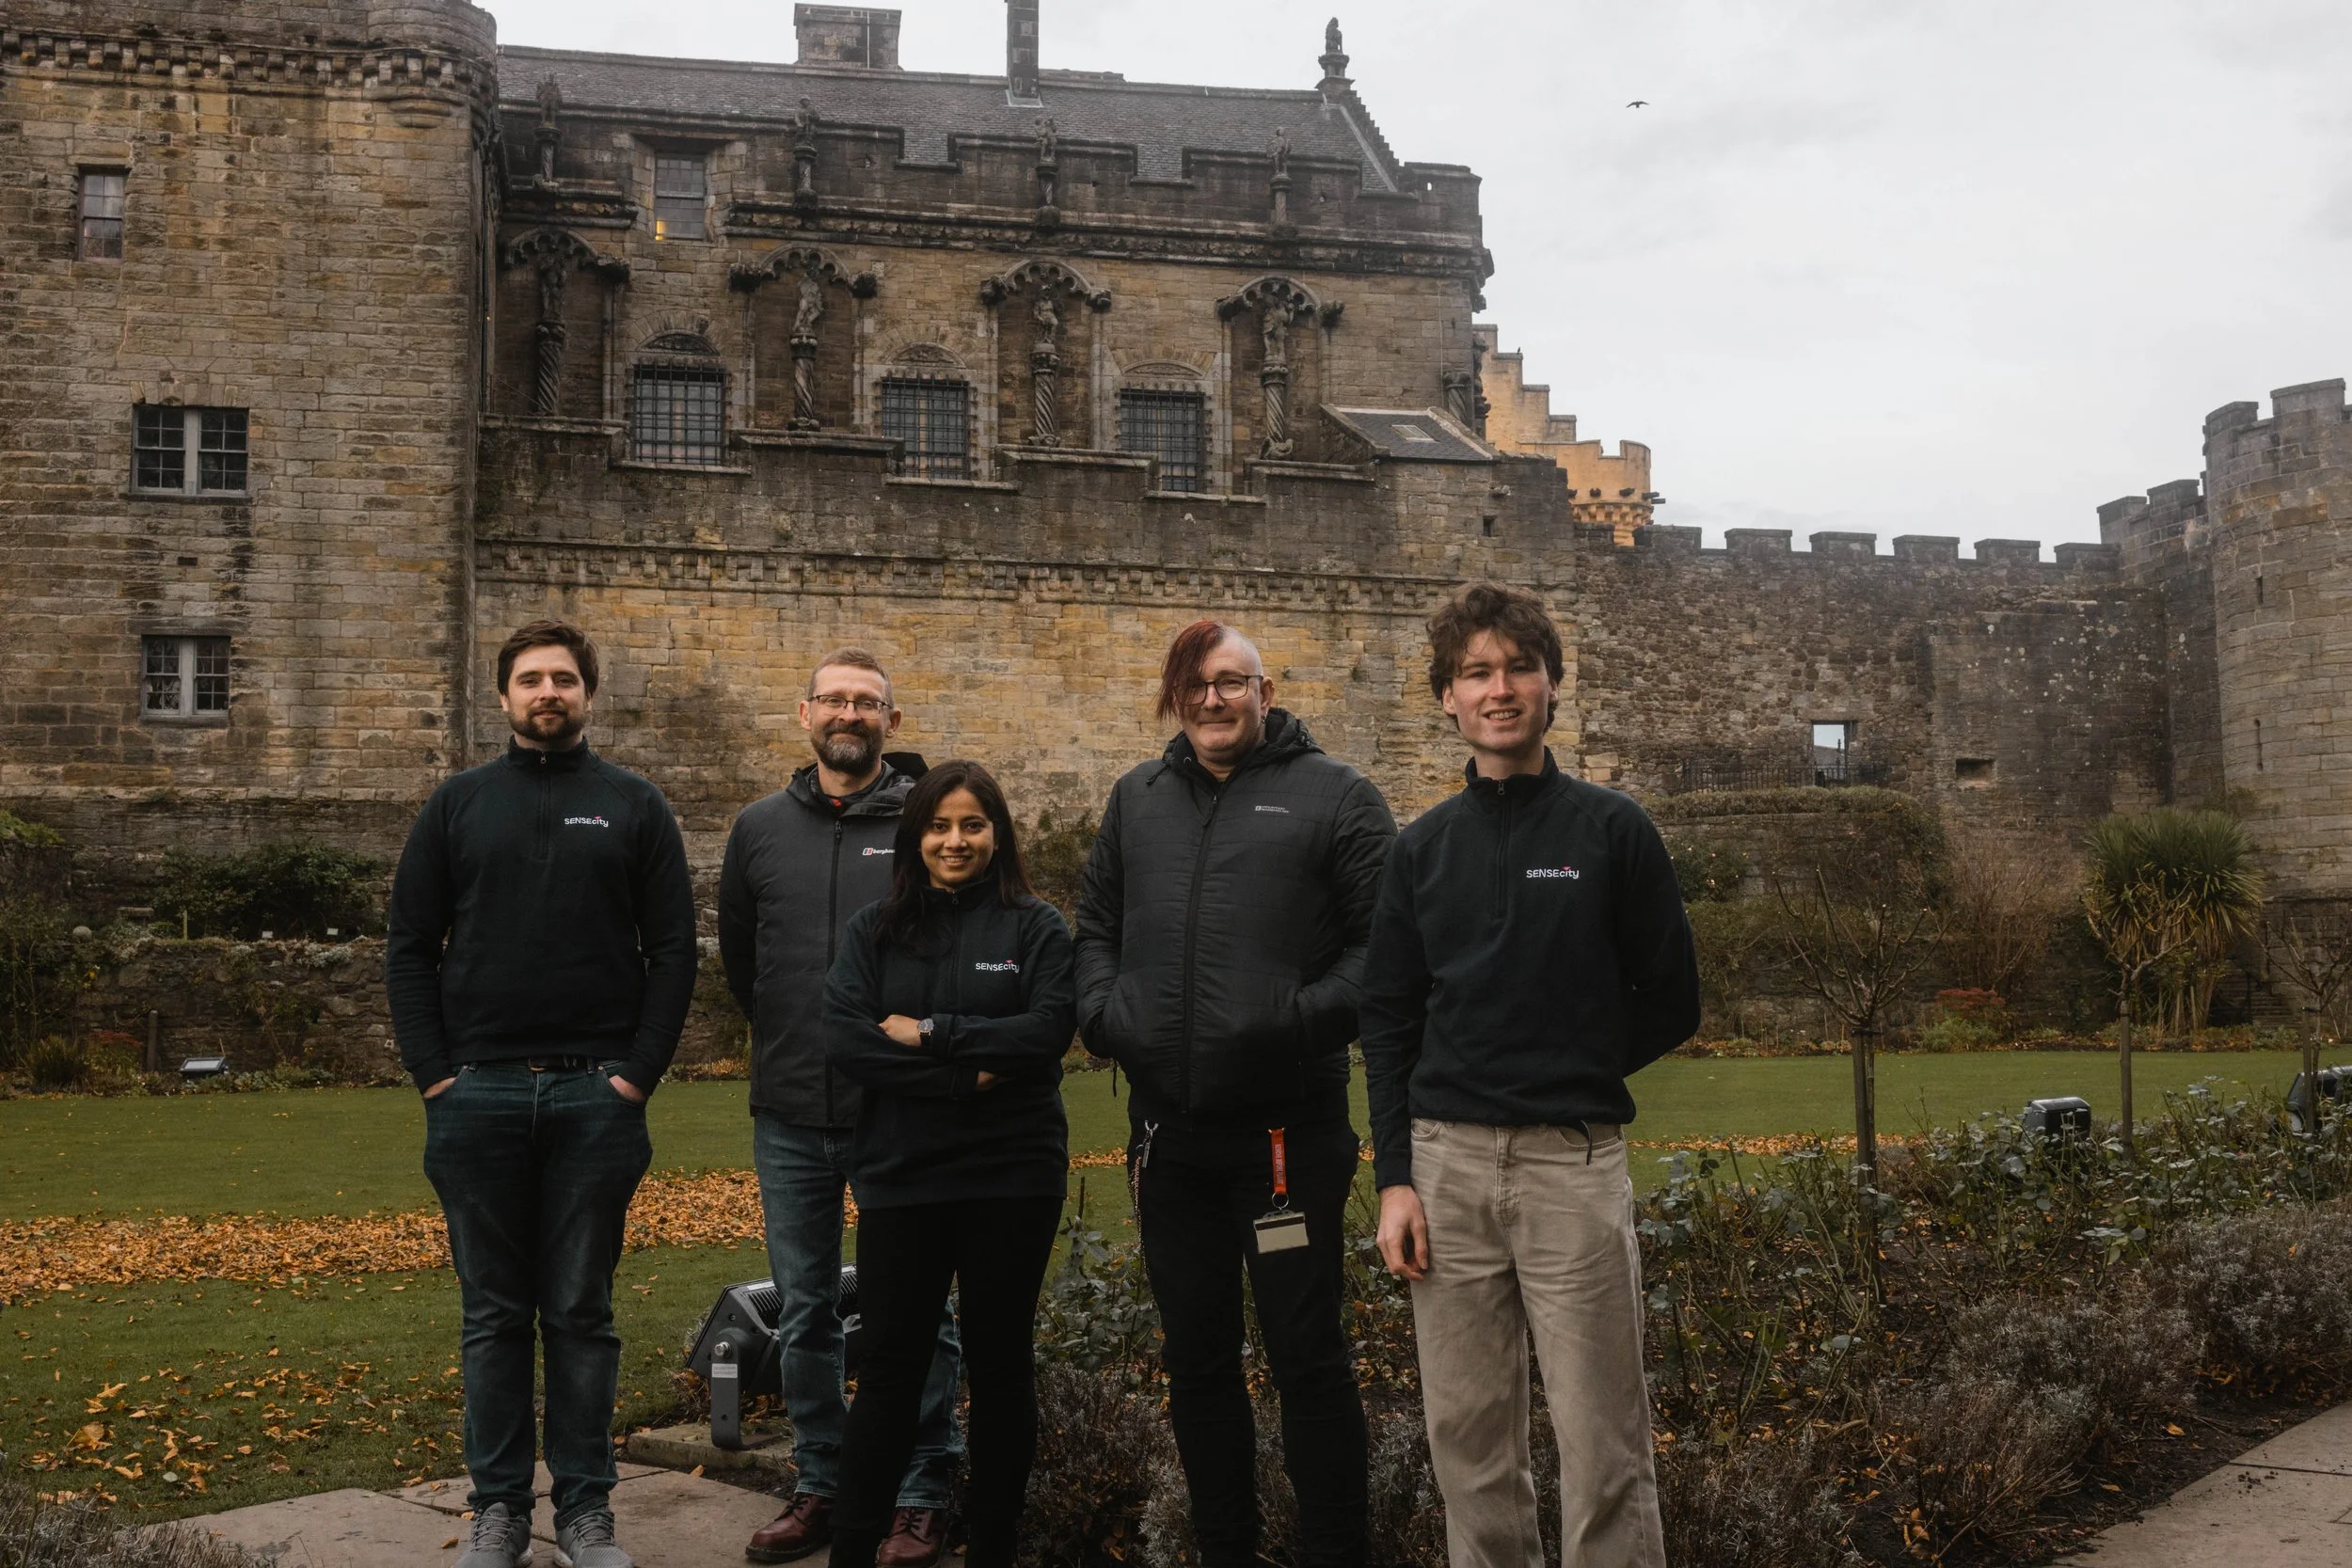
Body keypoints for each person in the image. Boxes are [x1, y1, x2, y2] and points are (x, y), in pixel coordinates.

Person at [1360, 583, 1700, 1568]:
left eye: (1518, 667)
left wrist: (1572, 1060)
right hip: (1444, 1172)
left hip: (1570, 1164)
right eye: (1476, 672)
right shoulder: (1419, 849)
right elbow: (1385, 1021)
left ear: (1552, 686)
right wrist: (1394, 1179)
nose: (1498, 687)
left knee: (1603, 1442)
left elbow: (1671, 996)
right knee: (1467, 1442)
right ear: (1446, 699)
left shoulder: (1611, 830)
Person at [1074, 620, 1397, 1568]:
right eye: (1194, 686)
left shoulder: (1336, 796)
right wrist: (1104, 1010)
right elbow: (1094, 921)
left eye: (1231, 682)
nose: (1212, 701)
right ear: (1176, 697)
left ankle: (1334, 1550)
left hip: (1284, 1138)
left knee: (1308, 1361)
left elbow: (1385, 951)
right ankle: (1225, 1549)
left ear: (1265, 688)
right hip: (1168, 1142)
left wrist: (1293, 1018)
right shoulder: (1138, 797)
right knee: (1198, 1362)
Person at [387, 620, 697, 1568]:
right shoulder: (457, 805)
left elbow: (674, 952)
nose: (548, 691)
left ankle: (588, 1511)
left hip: (594, 1096)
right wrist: (438, 1075)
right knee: (491, 1317)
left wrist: (634, 1074)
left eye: (564, 677)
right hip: (475, 1093)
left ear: (590, 693)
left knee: (579, 1312)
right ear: (505, 695)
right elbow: (407, 949)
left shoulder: (634, 806)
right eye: (530, 679)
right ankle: (499, 1512)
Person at [718, 648, 963, 1567]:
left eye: (868, 701)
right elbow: (748, 964)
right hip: (789, 1106)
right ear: (803, 713)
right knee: (808, 1308)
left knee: (917, 1308)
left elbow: (963, 951)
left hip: (899, 1107)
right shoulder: (757, 829)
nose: (849, 713)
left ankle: (922, 1490)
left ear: (891, 723)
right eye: (834, 699)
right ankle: (822, 1481)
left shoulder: (929, 824)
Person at [822, 759, 1074, 1568]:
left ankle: (992, 1548)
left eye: (971, 824)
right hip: (905, 1175)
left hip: (1012, 1176)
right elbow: (850, 1041)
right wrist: (975, 1074)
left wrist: (934, 1035)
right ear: (914, 835)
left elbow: (1045, 1034)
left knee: (1001, 1364)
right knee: (891, 1369)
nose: (954, 841)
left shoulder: (1037, 927)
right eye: (938, 825)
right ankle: (853, 1550)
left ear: (996, 834)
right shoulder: (875, 930)